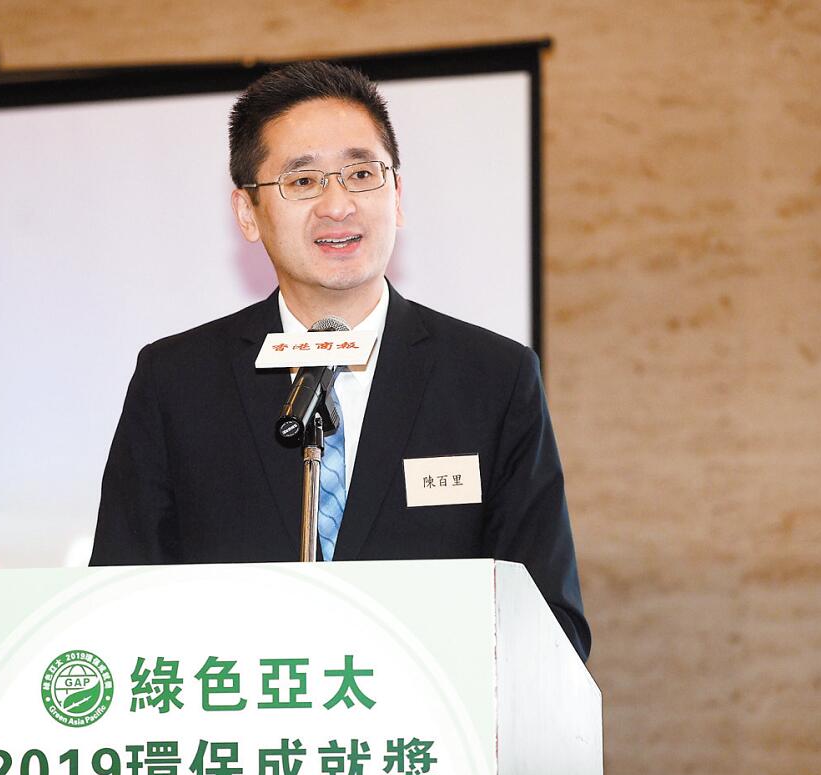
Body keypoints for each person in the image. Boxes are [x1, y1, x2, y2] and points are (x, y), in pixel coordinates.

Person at [90, 61, 590, 661]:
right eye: (303, 181)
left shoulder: (493, 379)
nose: (337, 204)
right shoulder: (177, 382)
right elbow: (116, 607)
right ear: (247, 212)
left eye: (361, 174)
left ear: (397, 196)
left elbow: (551, 625)